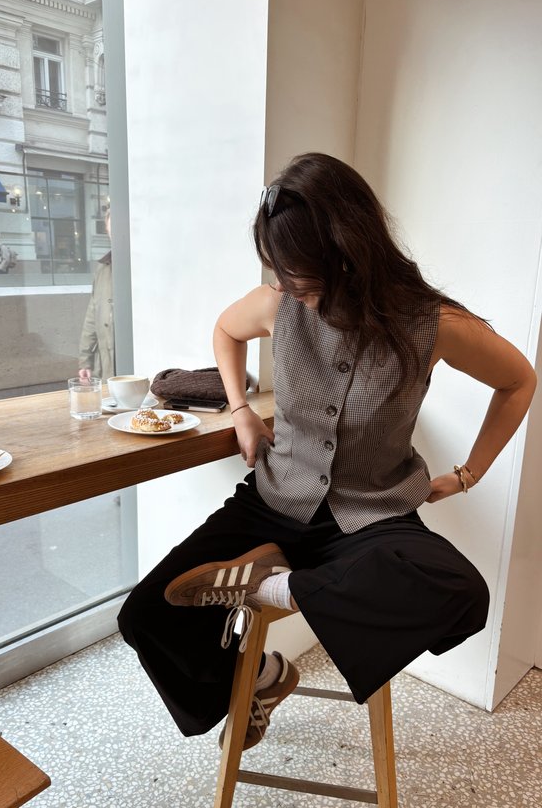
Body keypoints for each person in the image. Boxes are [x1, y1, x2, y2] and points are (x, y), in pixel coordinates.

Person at [118, 152, 536, 749]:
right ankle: (261, 676)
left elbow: (519, 380)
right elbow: (225, 330)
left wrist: (468, 474)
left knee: (461, 591)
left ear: (350, 255)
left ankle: (269, 587)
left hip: (371, 517)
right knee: (145, 613)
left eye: (304, 282)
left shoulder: (432, 323)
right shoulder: (276, 303)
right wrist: (240, 411)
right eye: (283, 277)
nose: (290, 292)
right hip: (272, 502)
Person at [78, 209, 114, 380]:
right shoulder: (103, 269)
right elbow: (93, 314)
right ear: (107, 230)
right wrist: (85, 360)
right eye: (112, 228)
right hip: (107, 365)